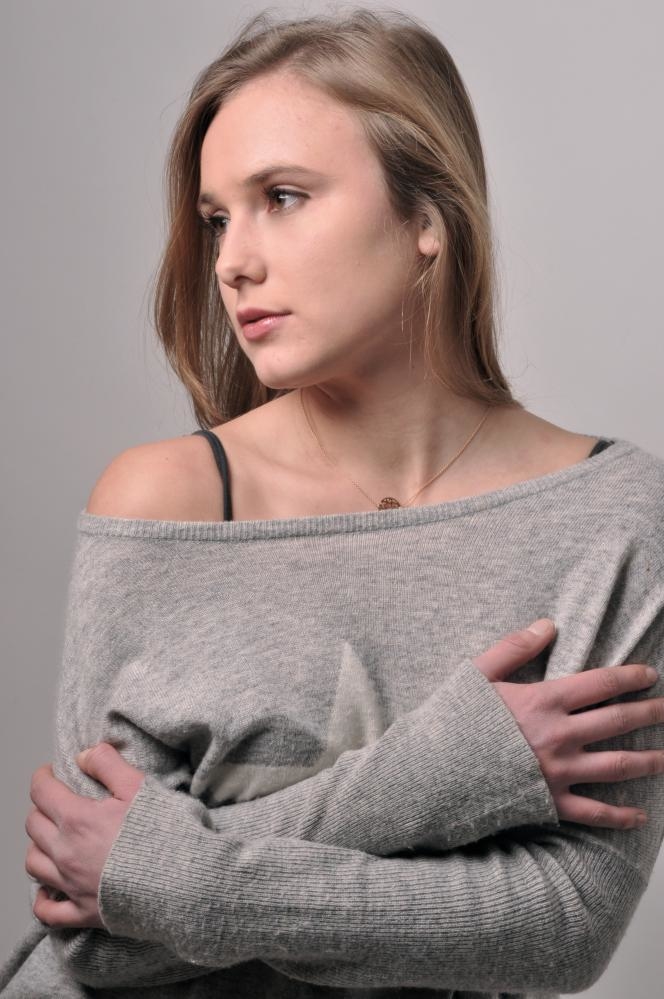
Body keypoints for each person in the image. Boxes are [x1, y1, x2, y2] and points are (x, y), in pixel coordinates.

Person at [2, 7, 664, 998]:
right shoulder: (169, 500)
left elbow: (565, 926)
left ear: (427, 219)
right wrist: (441, 775)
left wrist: (182, 877)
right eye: (217, 217)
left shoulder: (611, 516)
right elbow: (95, 934)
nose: (231, 260)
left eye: (282, 197)